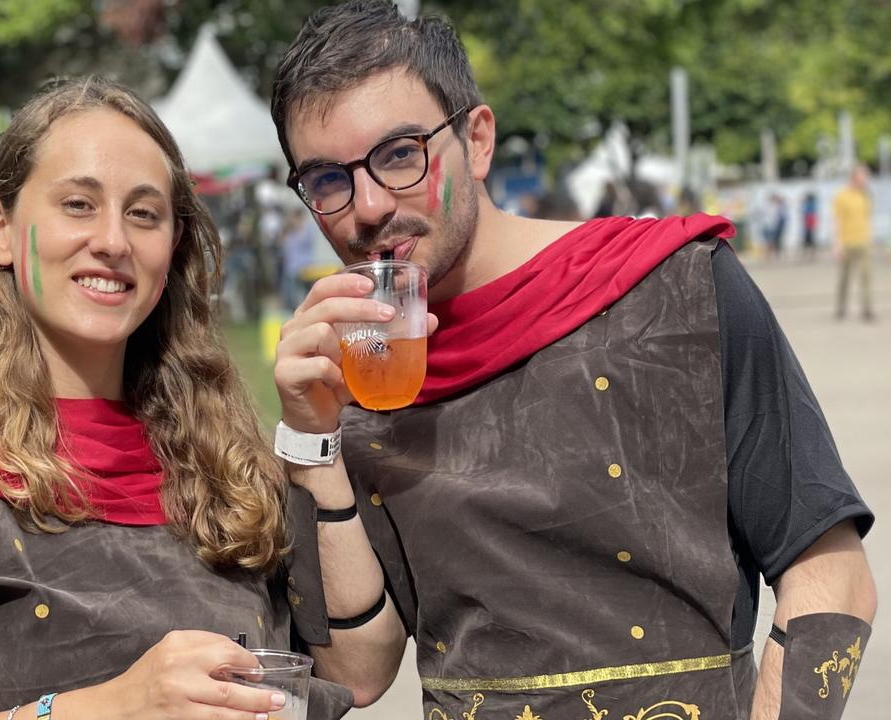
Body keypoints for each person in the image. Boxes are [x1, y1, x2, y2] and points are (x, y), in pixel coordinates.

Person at [267, 3, 876, 719]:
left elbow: (829, 572)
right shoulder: (361, 371)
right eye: (327, 180)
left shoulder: (677, 290)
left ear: (478, 139)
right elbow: (359, 674)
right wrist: (311, 440)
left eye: (400, 154)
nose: (366, 206)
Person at [0, 76, 352, 720]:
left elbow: (347, 676)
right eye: (78, 205)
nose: (114, 241)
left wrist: (316, 436)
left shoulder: (229, 469)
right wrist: (111, 707)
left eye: (143, 214)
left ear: (171, 246)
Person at [833, 166, 876, 322]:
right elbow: (837, 221)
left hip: (863, 242)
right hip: (846, 243)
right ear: (854, 178)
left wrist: (870, 240)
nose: (865, 181)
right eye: (863, 178)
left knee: (866, 277)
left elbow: (868, 219)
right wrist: (837, 244)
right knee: (845, 277)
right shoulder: (841, 196)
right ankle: (841, 307)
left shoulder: (865, 196)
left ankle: (867, 309)